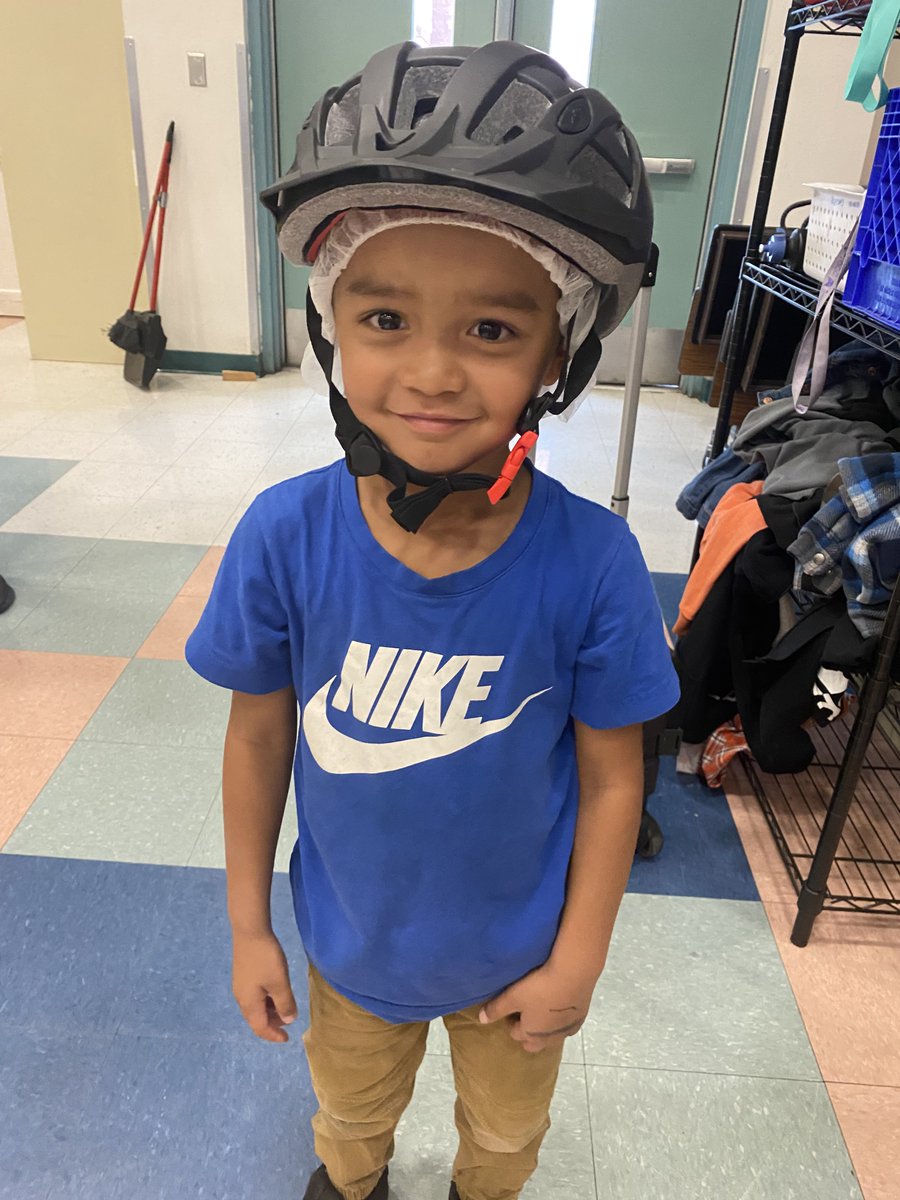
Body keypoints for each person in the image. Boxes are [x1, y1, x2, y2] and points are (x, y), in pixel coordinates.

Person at [186, 41, 679, 1200]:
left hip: (521, 966)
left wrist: (582, 963)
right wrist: (250, 926)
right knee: (349, 1117)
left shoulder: (595, 561)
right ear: (331, 325)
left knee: (503, 1145)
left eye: (494, 332)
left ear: (561, 351)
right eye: (388, 317)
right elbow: (259, 737)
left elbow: (616, 782)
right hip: (350, 951)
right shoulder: (284, 536)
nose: (434, 373)